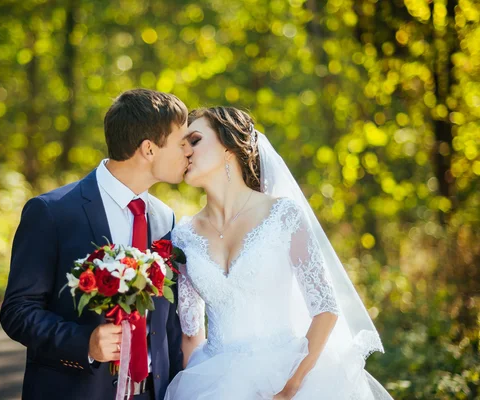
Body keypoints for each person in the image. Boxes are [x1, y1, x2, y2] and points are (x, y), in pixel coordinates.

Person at [165, 107, 393, 399]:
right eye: (181, 144)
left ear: (228, 146)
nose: (185, 151)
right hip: (214, 380)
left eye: (194, 140)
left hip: (292, 376)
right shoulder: (183, 237)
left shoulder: (283, 216)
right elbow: (191, 332)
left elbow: (325, 310)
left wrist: (290, 389)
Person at [0, 89, 192, 400]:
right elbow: (17, 311)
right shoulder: (53, 211)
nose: (188, 152)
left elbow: (166, 323)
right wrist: (84, 342)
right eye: (180, 143)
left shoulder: (164, 218)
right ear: (149, 149)